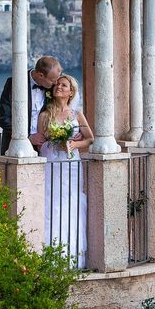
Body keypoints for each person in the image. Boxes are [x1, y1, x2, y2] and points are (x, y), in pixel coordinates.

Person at [37, 75, 93, 269]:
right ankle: (50, 254)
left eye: (64, 85)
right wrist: (55, 142)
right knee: (51, 201)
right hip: (52, 162)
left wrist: (74, 143)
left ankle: (71, 255)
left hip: (71, 165)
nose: (59, 87)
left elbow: (90, 139)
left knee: (70, 202)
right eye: (57, 85)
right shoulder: (45, 115)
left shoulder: (77, 114)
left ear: (71, 92)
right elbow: (40, 142)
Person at [0, 56, 62, 155]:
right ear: (40, 75)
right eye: (53, 80)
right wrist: (28, 137)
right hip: (16, 147)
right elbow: (2, 118)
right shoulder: (14, 83)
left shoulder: (51, 87)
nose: (56, 83)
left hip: (45, 147)